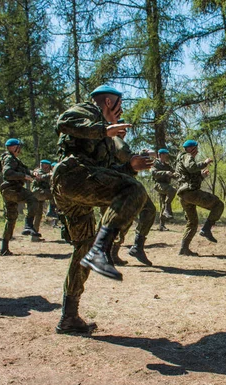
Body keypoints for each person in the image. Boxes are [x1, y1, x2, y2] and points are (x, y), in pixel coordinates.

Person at [52, 85, 152, 334]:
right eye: (119, 104)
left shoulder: (108, 140)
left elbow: (109, 175)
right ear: (108, 101)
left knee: (83, 248)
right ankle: (102, 249)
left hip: (81, 189)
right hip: (72, 177)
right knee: (135, 191)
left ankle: (69, 317)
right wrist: (103, 129)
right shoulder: (87, 110)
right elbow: (64, 122)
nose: (121, 110)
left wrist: (131, 166)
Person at [107, 121, 156, 267]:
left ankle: (129, 249)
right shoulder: (115, 140)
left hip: (123, 184)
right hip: (120, 185)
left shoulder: (113, 141)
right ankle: (113, 251)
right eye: (121, 128)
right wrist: (145, 154)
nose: (123, 131)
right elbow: (127, 157)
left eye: (124, 130)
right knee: (123, 218)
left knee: (127, 217)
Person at [175, 139, 224, 256]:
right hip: (191, 193)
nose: (197, 150)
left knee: (192, 223)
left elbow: (189, 176)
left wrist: (201, 176)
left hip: (184, 195)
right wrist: (205, 162)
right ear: (191, 148)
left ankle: (184, 248)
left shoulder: (181, 159)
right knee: (218, 204)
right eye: (196, 148)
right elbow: (191, 167)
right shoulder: (187, 156)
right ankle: (206, 229)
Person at [0, 138, 40, 256]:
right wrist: (24, 176)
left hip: (8, 191)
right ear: (12, 147)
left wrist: (33, 173)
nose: (20, 149)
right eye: (18, 147)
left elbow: (25, 170)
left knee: (11, 218)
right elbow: (7, 173)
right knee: (32, 199)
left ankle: (4, 248)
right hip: (12, 189)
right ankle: (28, 225)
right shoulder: (9, 158)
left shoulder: (13, 159)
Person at [151, 148, 177, 231]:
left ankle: (161, 225)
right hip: (158, 184)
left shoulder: (167, 165)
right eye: (165, 155)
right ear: (160, 155)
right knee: (172, 190)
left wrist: (177, 175)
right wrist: (165, 172)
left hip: (165, 185)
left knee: (163, 204)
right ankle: (167, 208)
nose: (166, 157)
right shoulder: (155, 163)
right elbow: (154, 173)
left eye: (166, 155)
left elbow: (173, 173)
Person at [31, 159, 53, 242]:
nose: (48, 168)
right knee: (55, 193)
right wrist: (50, 174)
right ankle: (53, 209)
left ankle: (34, 236)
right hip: (38, 194)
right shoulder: (38, 171)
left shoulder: (43, 172)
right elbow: (40, 177)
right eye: (47, 166)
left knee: (38, 216)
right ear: (44, 165)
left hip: (39, 196)